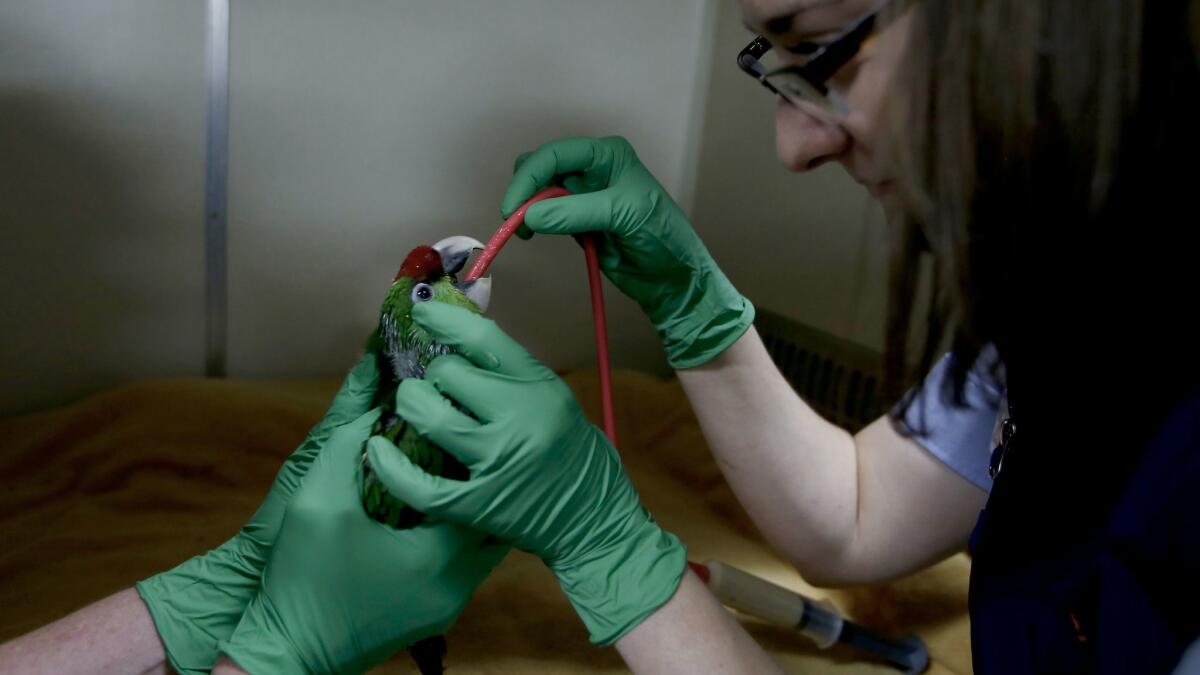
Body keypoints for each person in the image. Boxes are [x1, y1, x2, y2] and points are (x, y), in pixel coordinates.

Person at [3, 0, 1197, 673]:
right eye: (774, 69)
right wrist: (216, 599)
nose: (794, 144)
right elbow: (862, 514)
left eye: (821, 54)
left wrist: (608, 546)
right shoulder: (1057, 295)